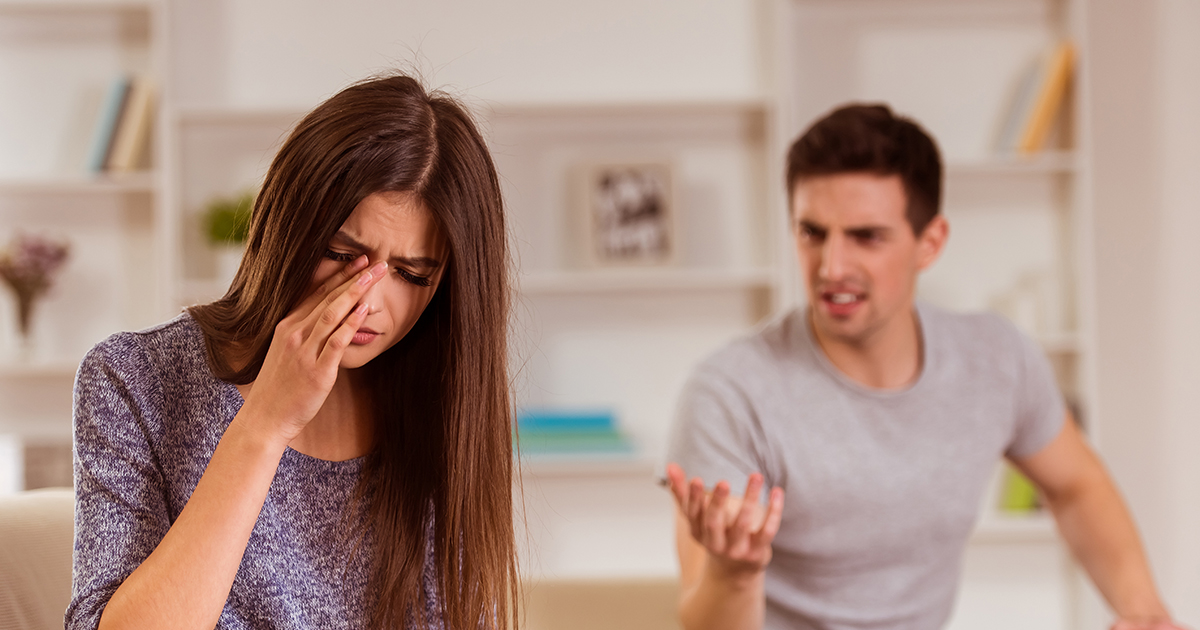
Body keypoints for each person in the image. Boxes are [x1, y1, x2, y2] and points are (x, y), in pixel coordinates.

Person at [665, 104, 1185, 630]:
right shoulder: (729, 393)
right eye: (812, 233)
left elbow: (1077, 486)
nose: (831, 267)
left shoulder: (996, 359)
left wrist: (1143, 610)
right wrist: (734, 574)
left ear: (930, 243)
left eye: (866, 236)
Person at [68, 75, 518, 630]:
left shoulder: (443, 406)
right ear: (288, 226)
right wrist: (265, 423)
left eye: (410, 274)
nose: (368, 303)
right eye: (341, 254)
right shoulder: (133, 379)